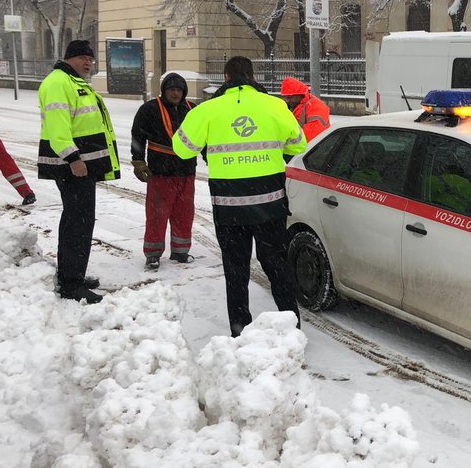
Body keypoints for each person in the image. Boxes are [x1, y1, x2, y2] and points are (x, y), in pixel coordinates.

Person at [173, 56, 306, 336]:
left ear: (225, 77)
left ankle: (240, 329)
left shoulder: (207, 109)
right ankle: (291, 325)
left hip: (229, 206)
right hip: (270, 204)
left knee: (236, 270)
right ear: (252, 75)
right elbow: (298, 143)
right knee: (277, 266)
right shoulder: (276, 106)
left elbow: (182, 148)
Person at [38, 39, 120, 304]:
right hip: (72, 167)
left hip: (82, 166)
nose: (88, 62)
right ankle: (71, 286)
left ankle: (73, 274)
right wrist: (73, 158)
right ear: (69, 58)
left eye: (91, 59)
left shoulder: (75, 83)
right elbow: (58, 128)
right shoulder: (58, 83)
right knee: (77, 223)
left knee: (80, 222)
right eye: (83, 57)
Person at [130, 73, 197, 270]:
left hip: (186, 171)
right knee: (157, 214)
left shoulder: (192, 109)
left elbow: (205, 136)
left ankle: (181, 250)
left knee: (184, 213)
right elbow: (138, 136)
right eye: (171, 90)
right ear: (164, 91)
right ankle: (153, 253)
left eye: (179, 90)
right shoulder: (150, 109)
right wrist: (138, 160)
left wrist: (208, 156)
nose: (175, 93)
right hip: (161, 172)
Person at [279, 77, 331, 142]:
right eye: (284, 97)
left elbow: (313, 134)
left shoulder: (315, 107)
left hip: (314, 148)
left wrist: (286, 141)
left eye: (289, 97)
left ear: (299, 94)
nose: (287, 100)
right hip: (299, 147)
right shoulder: (293, 105)